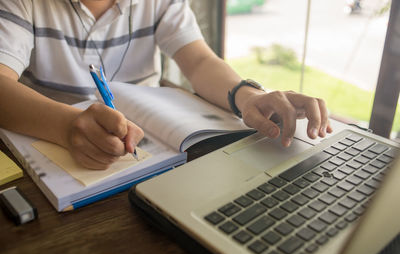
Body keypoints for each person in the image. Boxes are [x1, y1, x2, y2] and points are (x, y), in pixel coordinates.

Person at [0, 0, 332, 170]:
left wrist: (247, 96)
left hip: (150, 149)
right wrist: (67, 124)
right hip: (53, 146)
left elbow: (199, 61)